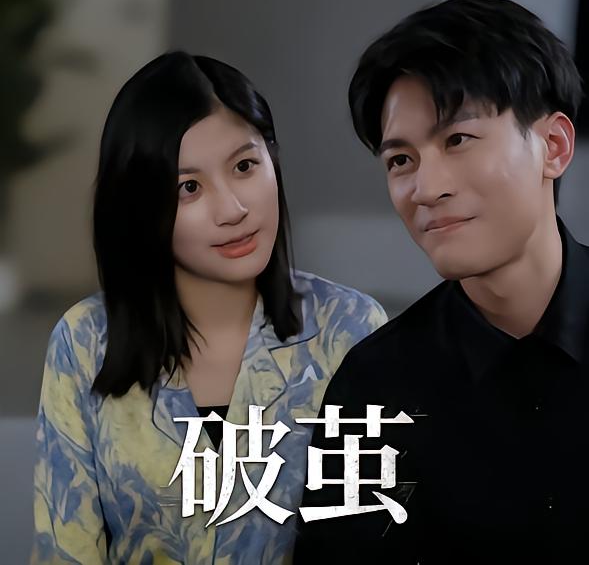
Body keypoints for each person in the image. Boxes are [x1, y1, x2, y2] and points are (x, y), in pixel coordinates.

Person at [31, 51, 387, 565]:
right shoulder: (85, 342)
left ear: (272, 161)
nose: (233, 209)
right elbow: (66, 551)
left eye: (244, 166)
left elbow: (373, 541)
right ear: (140, 206)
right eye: (189, 188)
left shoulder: (350, 329)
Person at [294, 0, 588, 564]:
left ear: (553, 147)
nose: (427, 189)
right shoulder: (373, 388)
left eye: (457, 140)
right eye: (401, 160)